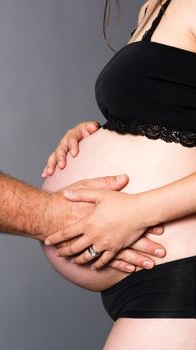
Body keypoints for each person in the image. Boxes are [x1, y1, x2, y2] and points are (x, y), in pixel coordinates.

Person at [40, 0, 196, 349]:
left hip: (181, 276)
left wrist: (137, 211)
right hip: (157, 277)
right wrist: (100, 132)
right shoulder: (154, 7)